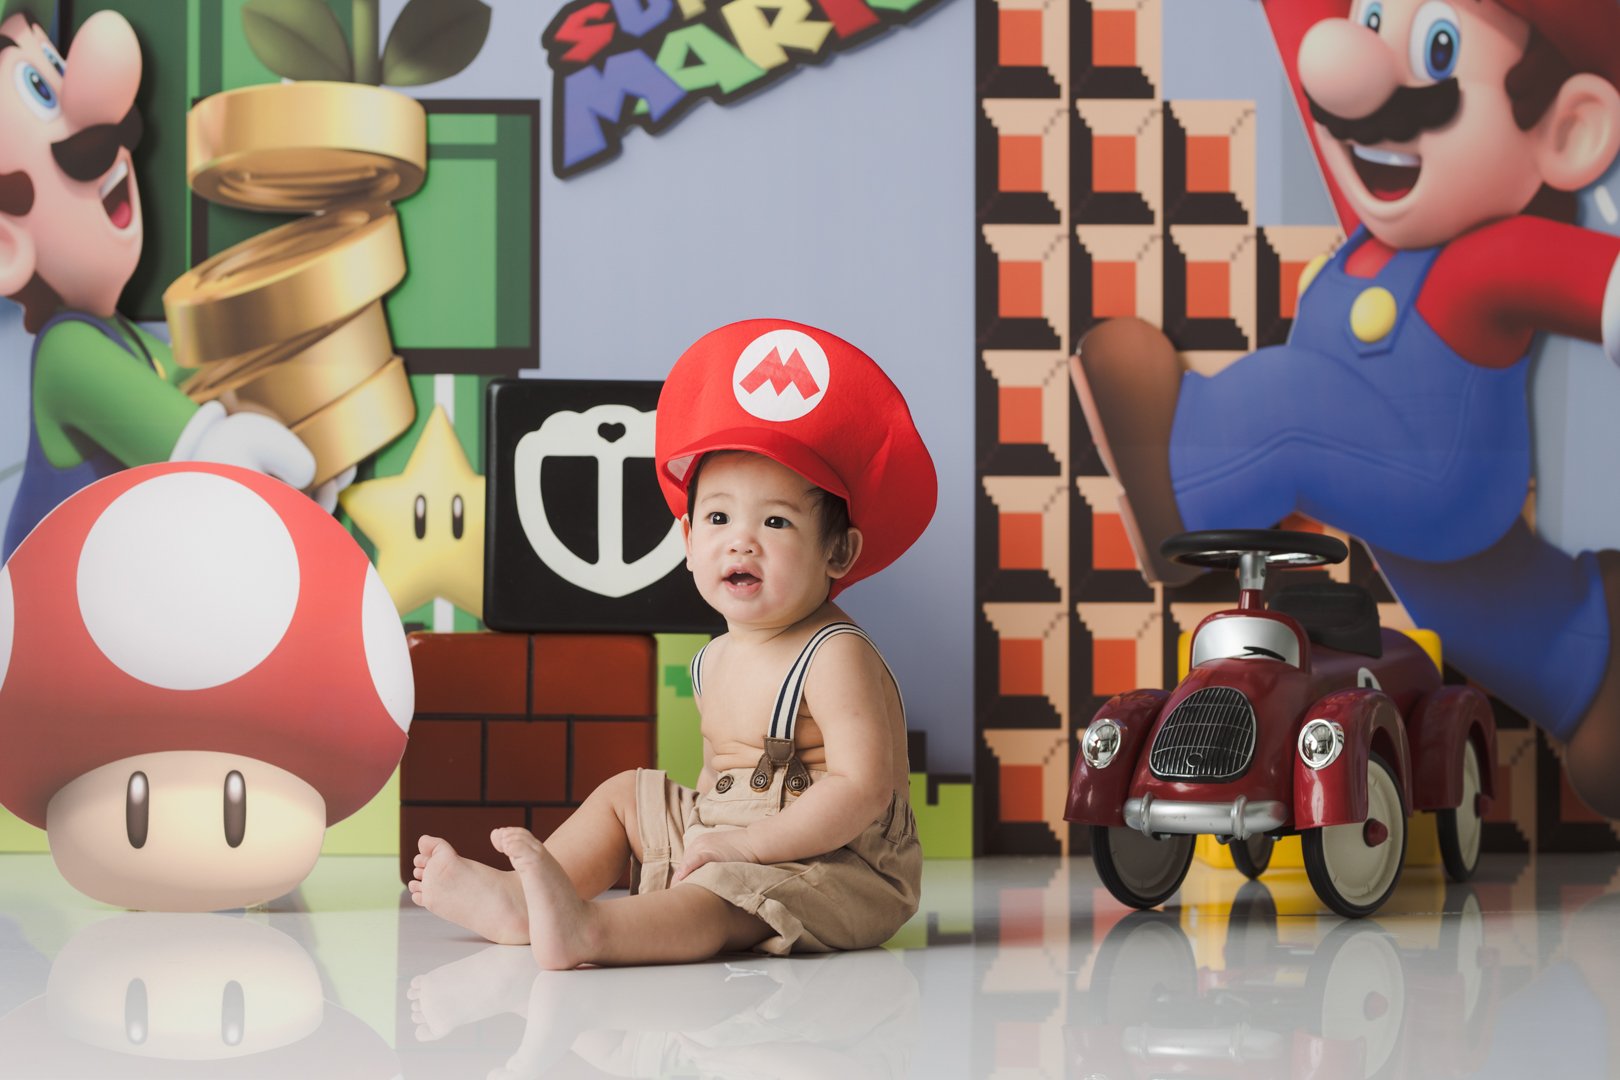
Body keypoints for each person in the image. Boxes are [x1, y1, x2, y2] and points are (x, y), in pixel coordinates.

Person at [1072, 0, 1620, 815]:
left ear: (1567, 131)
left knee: (1294, 404)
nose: (1355, 69)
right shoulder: (1373, 231)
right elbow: (1312, 48)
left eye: (1438, 50)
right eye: (1367, 20)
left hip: (1442, 474)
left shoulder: (1494, 254)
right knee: (1482, 611)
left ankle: (1194, 480)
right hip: (1494, 571)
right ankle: (1593, 680)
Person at [408, 318, 937, 968]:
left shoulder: (834, 653)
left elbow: (861, 789)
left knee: (726, 889)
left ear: (838, 551)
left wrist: (747, 848)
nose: (740, 540)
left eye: (775, 520)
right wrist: (702, 833)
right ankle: (520, 902)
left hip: (836, 859)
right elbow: (718, 781)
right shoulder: (714, 658)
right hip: (736, 831)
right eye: (718, 517)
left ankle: (596, 932)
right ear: (687, 543)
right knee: (626, 795)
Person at [0, 0, 332, 557]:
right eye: (40, 89)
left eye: (55, 66)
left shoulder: (125, 341)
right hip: (46, 626)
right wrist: (278, 465)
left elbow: (211, 395)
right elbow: (211, 453)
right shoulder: (69, 352)